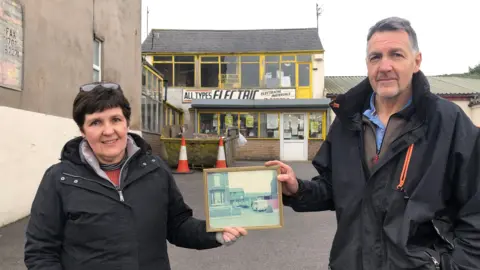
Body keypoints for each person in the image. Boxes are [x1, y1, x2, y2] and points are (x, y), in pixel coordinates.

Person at [267, 17, 480, 270]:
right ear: (367, 64)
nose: (384, 66)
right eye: (375, 57)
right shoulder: (348, 121)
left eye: (396, 55)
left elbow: (475, 208)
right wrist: (297, 189)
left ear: (416, 62)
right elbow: (334, 188)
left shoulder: (448, 122)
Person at [24, 82, 247, 270]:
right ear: (82, 130)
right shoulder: (59, 179)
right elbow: (40, 252)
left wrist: (216, 233)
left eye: (115, 120)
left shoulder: (155, 170)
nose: (108, 131)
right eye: (96, 122)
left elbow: (178, 225)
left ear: (127, 123)